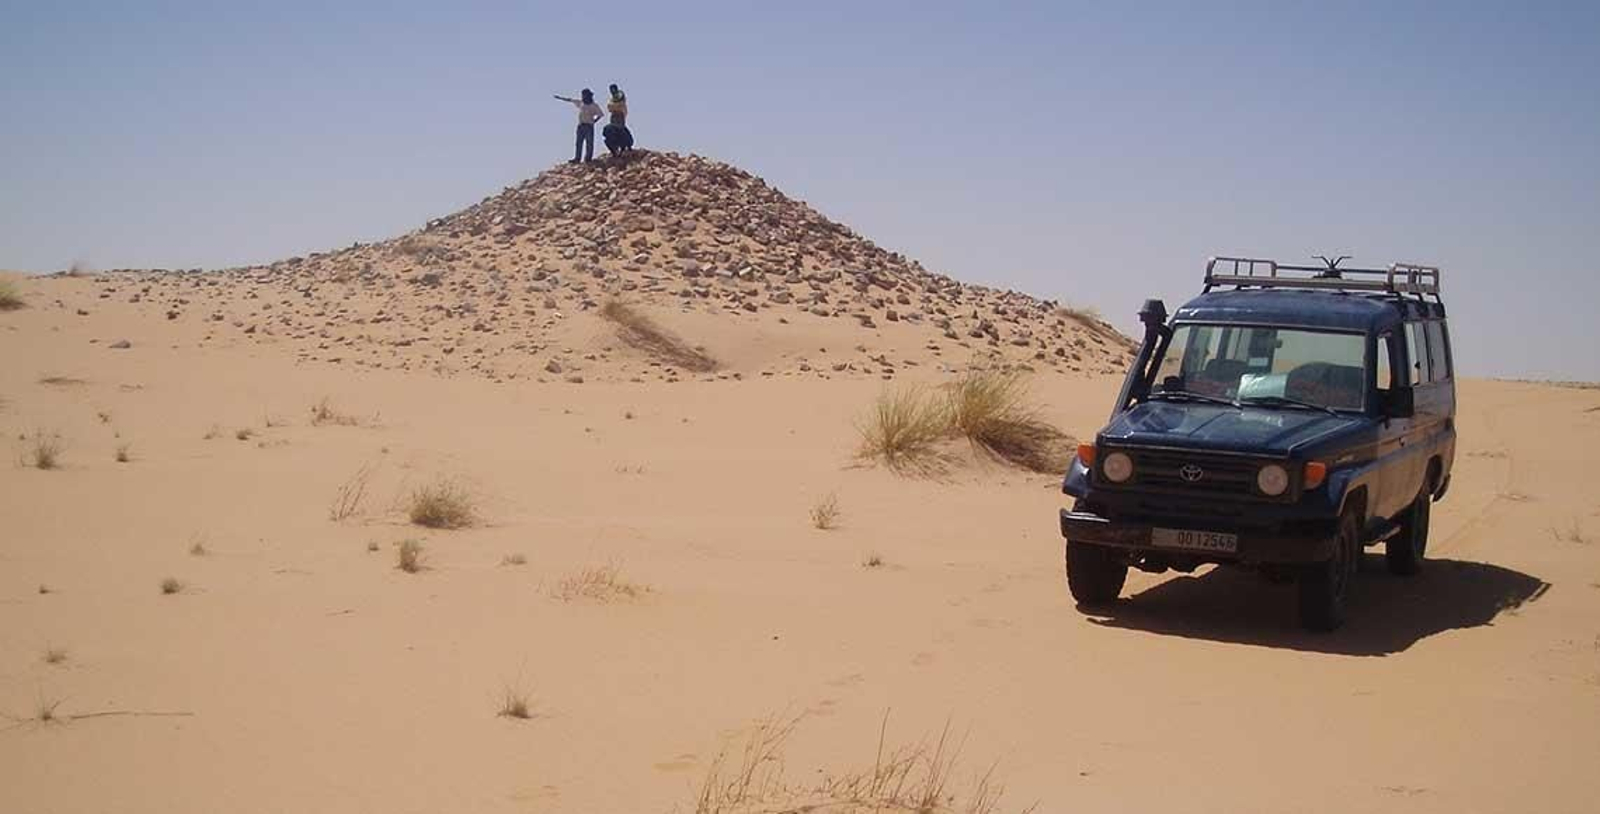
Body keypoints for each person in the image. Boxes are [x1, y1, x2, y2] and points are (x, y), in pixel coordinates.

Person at [553, 89, 604, 163]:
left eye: (584, 95)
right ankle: (577, 158)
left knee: (589, 143)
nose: (583, 96)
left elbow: (600, 114)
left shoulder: (594, 105)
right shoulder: (581, 103)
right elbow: (570, 100)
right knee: (578, 143)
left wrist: (594, 121)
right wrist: (560, 98)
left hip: (589, 126)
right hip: (581, 125)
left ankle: (588, 158)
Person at [602, 84, 633, 156]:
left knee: (620, 131)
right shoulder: (612, 99)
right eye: (611, 90)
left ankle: (624, 147)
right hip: (614, 116)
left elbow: (619, 105)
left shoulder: (620, 96)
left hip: (619, 116)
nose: (612, 91)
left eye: (613, 89)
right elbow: (609, 107)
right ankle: (615, 151)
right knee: (612, 132)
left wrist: (615, 107)